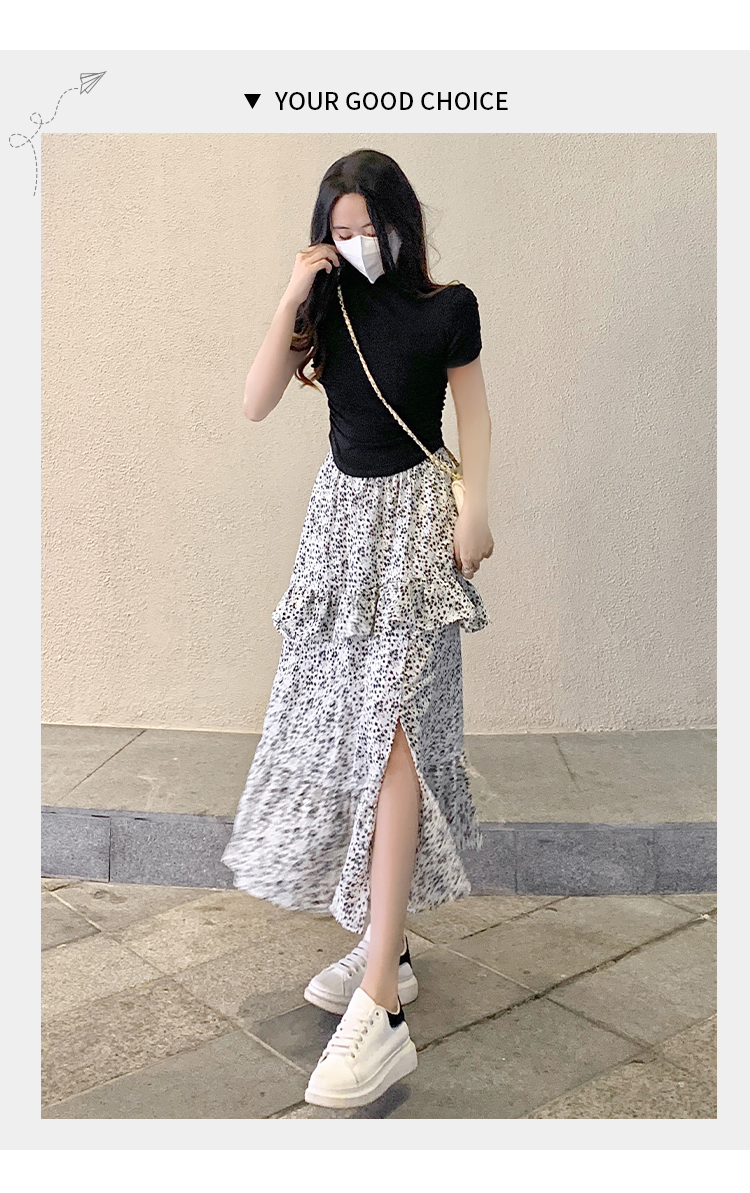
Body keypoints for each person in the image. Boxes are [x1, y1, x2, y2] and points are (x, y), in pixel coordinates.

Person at [221, 148, 494, 1110]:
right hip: (340, 533)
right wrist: (293, 292)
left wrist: (476, 509)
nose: (354, 243)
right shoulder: (326, 306)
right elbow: (255, 401)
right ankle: (392, 947)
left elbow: (474, 414)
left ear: (399, 223)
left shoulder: (447, 306)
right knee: (356, 741)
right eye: (339, 230)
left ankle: (380, 1002)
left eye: (366, 228)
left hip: (415, 529)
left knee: (394, 742)